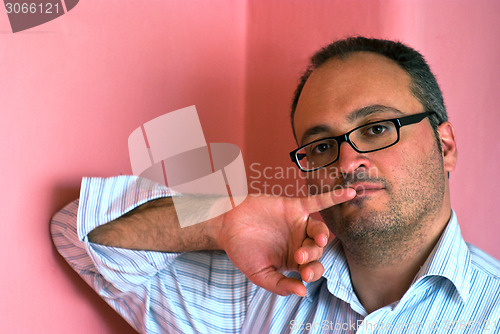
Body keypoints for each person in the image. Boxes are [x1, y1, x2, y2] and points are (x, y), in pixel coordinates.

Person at [51, 37, 500, 333]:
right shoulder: (259, 289)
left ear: (445, 146)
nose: (346, 160)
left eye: (377, 128)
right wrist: (217, 222)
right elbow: (80, 236)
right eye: (321, 146)